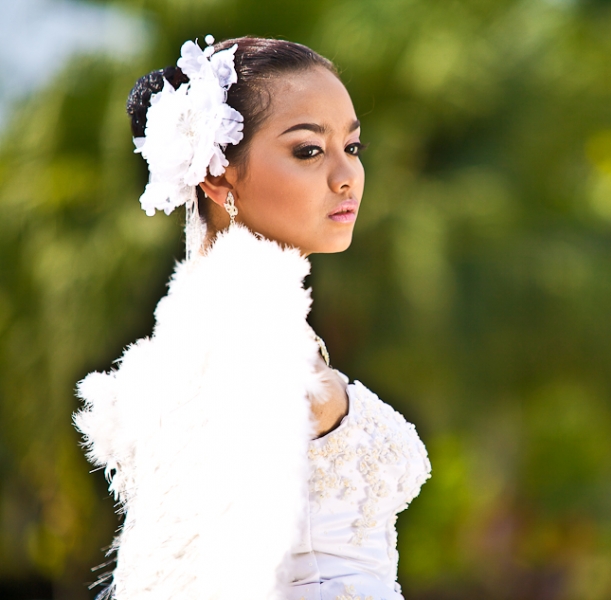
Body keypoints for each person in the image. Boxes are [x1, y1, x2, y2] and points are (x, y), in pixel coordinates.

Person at [73, 35, 431, 600]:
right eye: (308, 151)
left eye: (352, 146)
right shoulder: (241, 327)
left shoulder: (245, 314)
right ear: (219, 176)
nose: (347, 176)